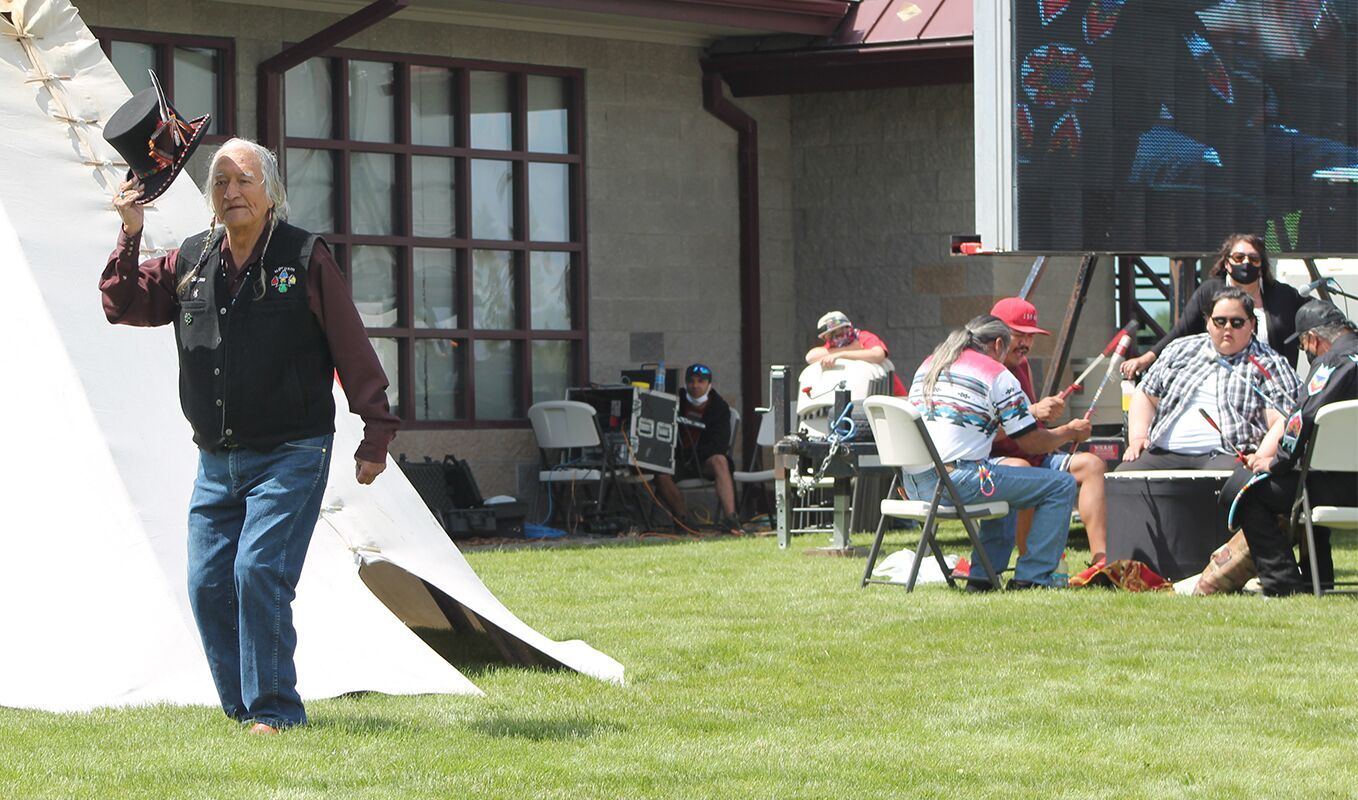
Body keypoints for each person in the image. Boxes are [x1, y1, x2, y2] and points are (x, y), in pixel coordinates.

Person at [100, 138, 398, 734]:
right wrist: (130, 232)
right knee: (208, 584)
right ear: (210, 199)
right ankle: (244, 713)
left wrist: (376, 432)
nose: (231, 192)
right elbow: (123, 303)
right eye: (220, 183)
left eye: (244, 181)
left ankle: (274, 712)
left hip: (293, 451)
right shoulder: (189, 258)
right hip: (217, 459)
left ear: (271, 193)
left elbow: (351, 344)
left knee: (258, 570)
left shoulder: (305, 255)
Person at [904, 315, 1090, 590]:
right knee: (1061, 485)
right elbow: (1030, 443)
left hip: (912, 483)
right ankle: (1032, 578)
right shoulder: (996, 373)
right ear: (999, 344)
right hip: (954, 482)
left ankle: (983, 578)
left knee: (1006, 478)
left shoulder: (931, 364)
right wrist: (1069, 432)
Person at [1219, 300, 1358, 596]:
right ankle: (1317, 580)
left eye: (1304, 345)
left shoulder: (1331, 364)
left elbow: (1301, 418)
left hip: (1339, 486)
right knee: (1309, 483)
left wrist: (1276, 462)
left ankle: (1282, 583)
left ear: (1312, 339)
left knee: (1251, 496)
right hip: (1340, 484)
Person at [1121, 287, 1300, 470]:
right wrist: (1138, 438)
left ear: (1252, 324)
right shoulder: (1180, 349)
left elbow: (1286, 418)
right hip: (1163, 451)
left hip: (1229, 454)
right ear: (1208, 322)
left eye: (1236, 322)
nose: (1227, 327)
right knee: (1122, 477)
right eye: (1220, 321)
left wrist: (1259, 458)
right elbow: (1144, 394)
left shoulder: (1269, 363)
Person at [988, 298, 1109, 566]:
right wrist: (1038, 415)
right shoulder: (985, 371)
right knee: (1027, 474)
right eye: (1019, 334)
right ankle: (1030, 564)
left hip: (1032, 455)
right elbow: (983, 433)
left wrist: (1056, 433)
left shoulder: (1022, 365)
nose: (1026, 343)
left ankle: (1101, 561)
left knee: (1092, 465)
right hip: (996, 464)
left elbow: (1031, 429)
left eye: (1030, 336)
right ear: (996, 335)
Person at [1121, 234, 1307, 377]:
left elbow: (1318, 317)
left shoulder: (1283, 294)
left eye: (1253, 259)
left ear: (1261, 265)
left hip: (1273, 383)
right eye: (1239, 257)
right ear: (1227, 262)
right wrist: (1147, 358)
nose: (1246, 263)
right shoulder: (1210, 291)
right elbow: (1181, 332)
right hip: (1221, 381)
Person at [653, 364, 739, 532]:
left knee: (720, 461)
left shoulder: (719, 408)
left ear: (709, 384)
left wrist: (696, 455)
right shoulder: (676, 402)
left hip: (703, 460)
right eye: (691, 381)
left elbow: (720, 445)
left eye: (701, 381)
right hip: (679, 459)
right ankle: (683, 519)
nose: (695, 386)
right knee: (660, 471)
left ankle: (731, 518)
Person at [805, 310, 907, 396]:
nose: (837, 337)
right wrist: (847, 350)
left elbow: (878, 355)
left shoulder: (863, 337)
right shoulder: (832, 348)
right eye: (831, 335)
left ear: (848, 327)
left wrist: (841, 355)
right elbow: (811, 357)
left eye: (839, 331)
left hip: (891, 394)